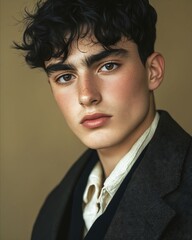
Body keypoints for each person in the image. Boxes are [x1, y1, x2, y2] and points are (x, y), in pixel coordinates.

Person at [15, 0, 192, 239]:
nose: (87, 95)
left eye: (108, 66)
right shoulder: (56, 204)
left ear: (153, 71)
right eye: (66, 77)